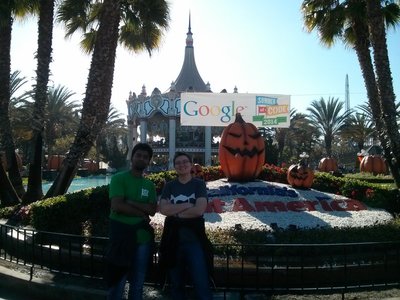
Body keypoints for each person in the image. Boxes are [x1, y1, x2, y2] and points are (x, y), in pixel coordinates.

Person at [105, 143, 157, 300]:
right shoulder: (118, 178)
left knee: (138, 284)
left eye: (145, 157)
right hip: (121, 239)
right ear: (132, 157)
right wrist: (142, 214)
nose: (141, 159)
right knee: (117, 283)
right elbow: (117, 205)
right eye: (139, 155)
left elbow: (153, 210)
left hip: (143, 241)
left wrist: (131, 203)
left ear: (148, 161)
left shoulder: (149, 185)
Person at [159, 152, 213, 300]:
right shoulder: (170, 186)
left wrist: (175, 213)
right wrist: (188, 205)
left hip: (194, 240)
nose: (182, 165)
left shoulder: (199, 184)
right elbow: (163, 209)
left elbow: (199, 210)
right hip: (173, 241)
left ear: (191, 165)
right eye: (178, 163)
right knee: (176, 284)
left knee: (201, 282)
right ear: (174, 166)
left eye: (185, 162)